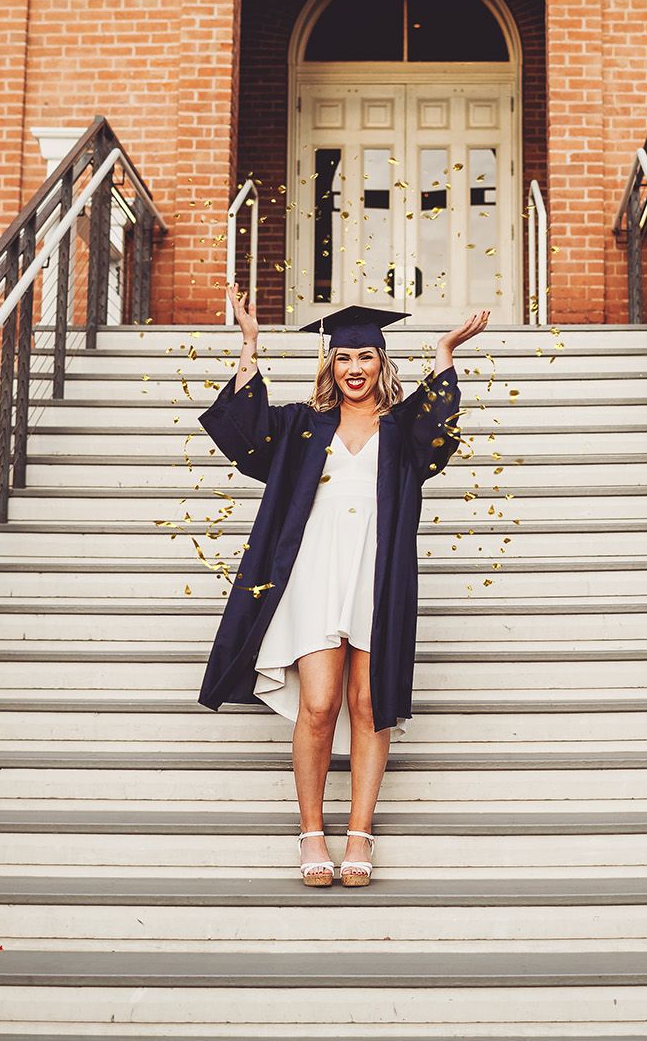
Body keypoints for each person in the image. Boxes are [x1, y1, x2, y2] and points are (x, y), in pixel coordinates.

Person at [198, 289, 488, 887]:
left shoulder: (402, 429)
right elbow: (244, 437)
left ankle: (360, 832)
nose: (354, 369)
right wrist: (251, 345)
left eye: (366, 358)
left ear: (383, 364)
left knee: (368, 704)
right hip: (313, 574)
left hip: (376, 578)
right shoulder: (303, 425)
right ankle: (311, 834)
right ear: (329, 364)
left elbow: (440, 434)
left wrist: (444, 352)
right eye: (343, 358)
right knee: (319, 703)